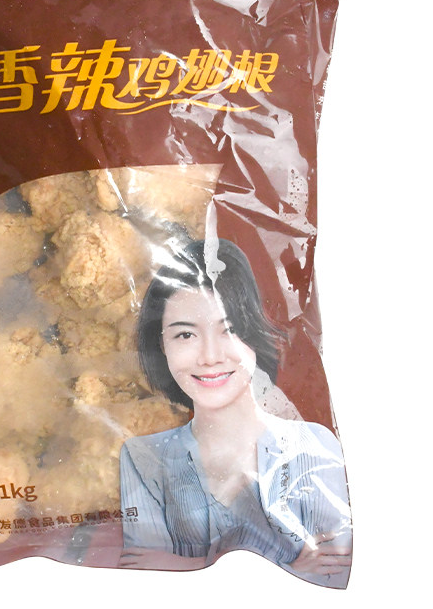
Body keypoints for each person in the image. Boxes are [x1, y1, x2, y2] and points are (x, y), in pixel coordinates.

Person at [118, 239, 352, 586]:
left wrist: (187, 563)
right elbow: (146, 583)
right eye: (186, 335)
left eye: (228, 329)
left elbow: (333, 576)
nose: (210, 356)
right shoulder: (142, 458)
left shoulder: (314, 446)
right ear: (161, 345)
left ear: (254, 331)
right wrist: (289, 564)